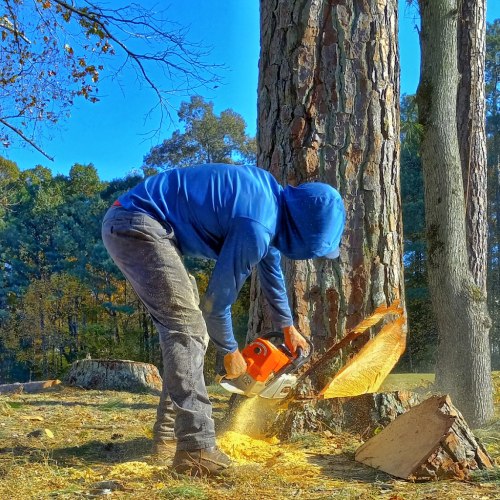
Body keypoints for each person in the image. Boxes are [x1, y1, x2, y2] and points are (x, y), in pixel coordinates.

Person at [101, 163, 345, 476]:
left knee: (190, 334)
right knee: (187, 331)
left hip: (143, 222)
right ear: (306, 236)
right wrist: (230, 352)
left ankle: (167, 440)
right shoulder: (256, 225)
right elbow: (215, 304)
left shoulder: (270, 201)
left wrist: (287, 326)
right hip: (136, 224)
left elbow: (269, 267)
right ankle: (197, 448)